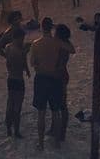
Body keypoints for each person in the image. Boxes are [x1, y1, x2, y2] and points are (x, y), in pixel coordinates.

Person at [30, 16, 62, 151]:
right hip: (54, 78)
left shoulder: (36, 44)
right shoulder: (57, 43)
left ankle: (41, 143)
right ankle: (57, 142)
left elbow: (32, 63)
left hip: (42, 78)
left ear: (42, 27)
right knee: (56, 112)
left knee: (41, 113)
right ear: (51, 27)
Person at [3, 27, 29, 138]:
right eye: (22, 39)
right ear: (18, 38)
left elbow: (7, 61)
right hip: (18, 80)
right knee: (17, 107)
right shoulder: (20, 51)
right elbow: (23, 65)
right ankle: (16, 131)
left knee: (10, 104)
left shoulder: (8, 47)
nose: (22, 41)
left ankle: (8, 129)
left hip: (10, 79)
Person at [55, 24, 75, 142]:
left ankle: (62, 132)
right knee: (58, 105)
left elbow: (72, 50)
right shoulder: (65, 44)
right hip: (61, 75)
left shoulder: (62, 45)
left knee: (62, 106)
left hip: (60, 76)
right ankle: (57, 130)